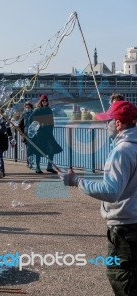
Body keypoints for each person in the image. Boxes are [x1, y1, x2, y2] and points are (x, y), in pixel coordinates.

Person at [60, 100, 137, 296]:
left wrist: (77, 181)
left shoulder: (122, 151)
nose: (105, 125)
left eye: (108, 121)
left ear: (118, 124)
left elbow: (111, 191)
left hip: (125, 228)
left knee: (121, 277)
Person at [29, 95, 62, 174]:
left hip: (48, 133)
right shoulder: (37, 110)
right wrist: (37, 125)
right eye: (43, 101)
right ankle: (38, 167)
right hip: (40, 134)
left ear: (47, 102)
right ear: (41, 101)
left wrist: (51, 128)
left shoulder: (49, 110)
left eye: (46, 101)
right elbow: (30, 119)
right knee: (39, 151)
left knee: (52, 149)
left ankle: (49, 167)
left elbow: (51, 121)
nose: (44, 102)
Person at [18, 101, 35, 169]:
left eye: (29, 107)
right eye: (26, 107)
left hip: (34, 134)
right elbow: (19, 125)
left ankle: (31, 161)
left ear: (31, 107)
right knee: (29, 148)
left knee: (33, 148)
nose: (27, 108)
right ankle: (29, 163)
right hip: (26, 134)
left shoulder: (34, 114)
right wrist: (22, 133)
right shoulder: (23, 114)